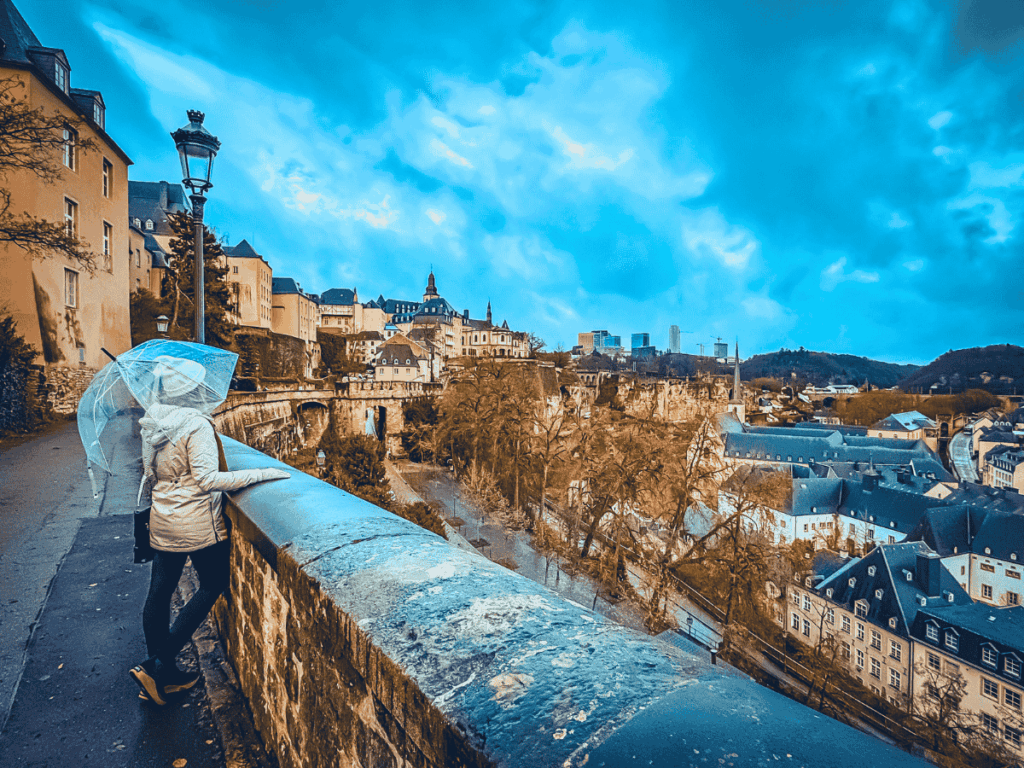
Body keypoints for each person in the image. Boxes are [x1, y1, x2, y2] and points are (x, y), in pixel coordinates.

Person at [129, 358, 289, 706]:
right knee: (214, 583)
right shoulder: (195, 425)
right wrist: (261, 473)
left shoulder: (153, 421)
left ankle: (163, 675)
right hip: (196, 522)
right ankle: (156, 665)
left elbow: (151, 473)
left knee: (159, 592)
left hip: (163, 517)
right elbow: (207, 480)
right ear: (192, 391)